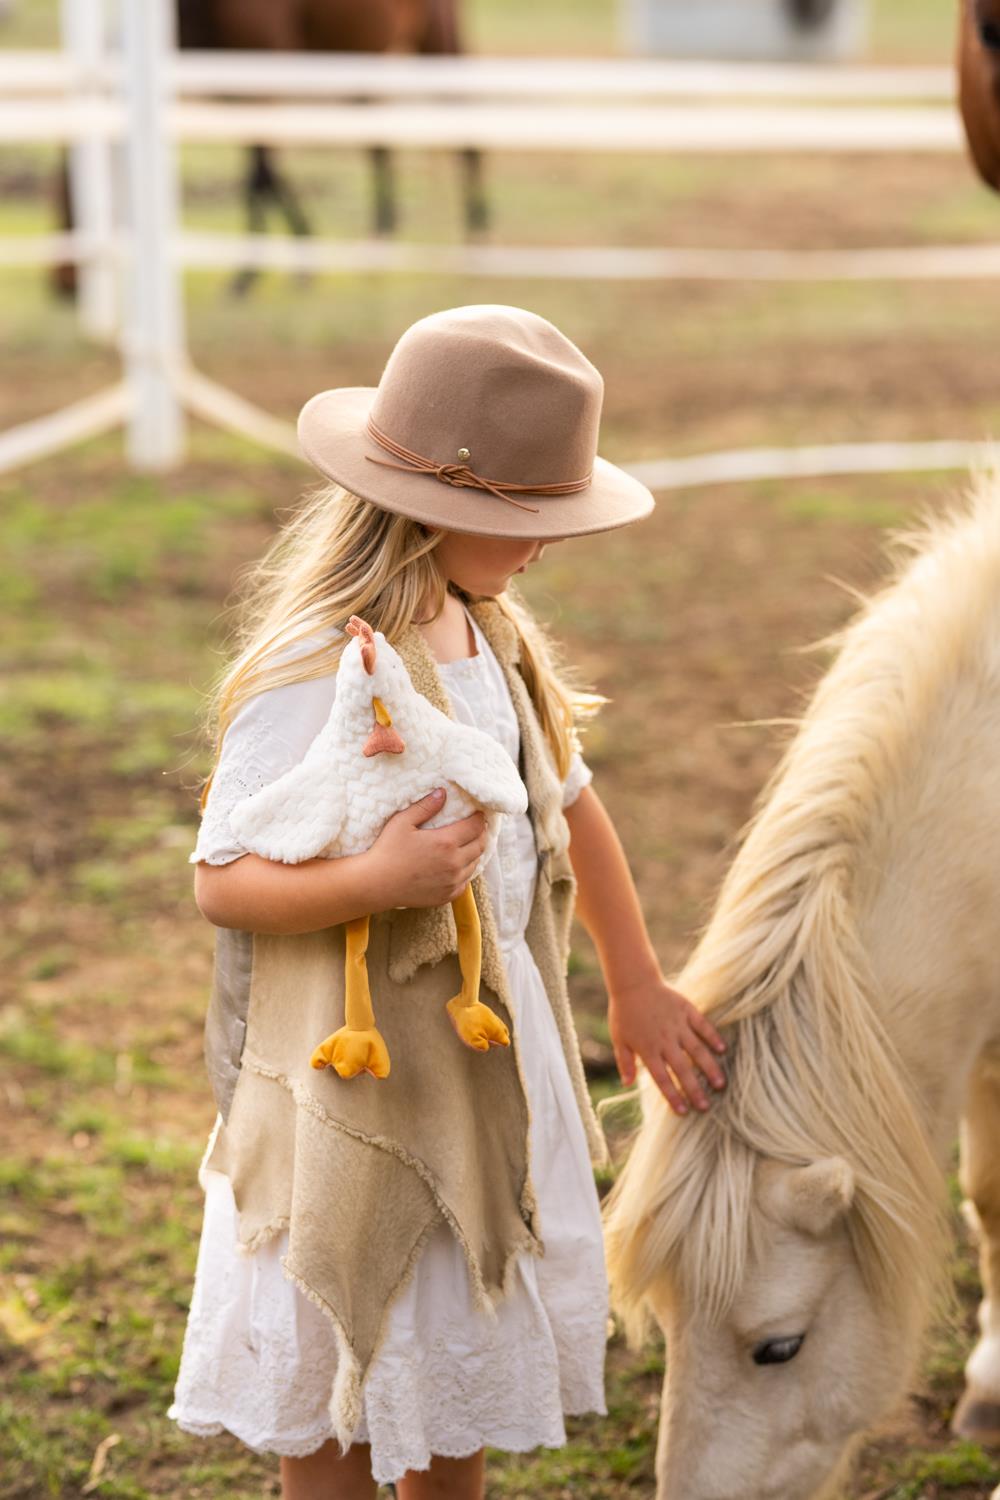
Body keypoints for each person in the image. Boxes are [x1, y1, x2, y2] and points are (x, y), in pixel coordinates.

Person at [168, 304, 726, 1500]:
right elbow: (221, 881)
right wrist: (375, 882)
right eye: (530, 520)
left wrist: (632, 982)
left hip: (483, 1065)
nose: (545, 548)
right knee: (337, 1382)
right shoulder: (321, 666)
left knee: (454, 1343)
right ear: (441, 506)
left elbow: (570, 805)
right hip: (358, 1083)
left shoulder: (494, 641)